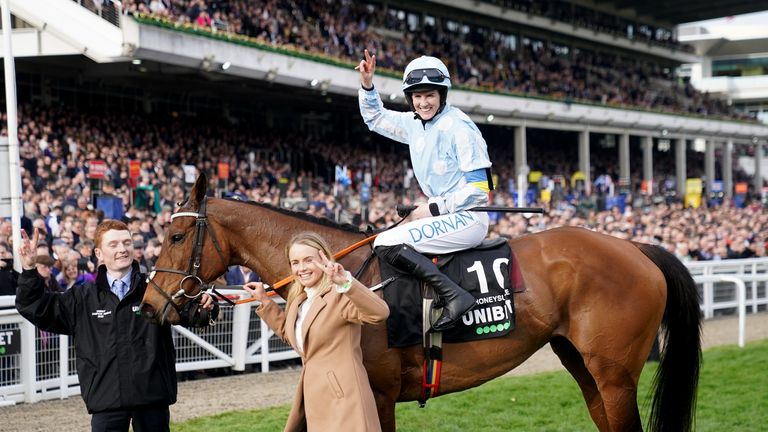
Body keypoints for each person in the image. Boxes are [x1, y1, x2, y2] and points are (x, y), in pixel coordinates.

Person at [15, 220, 218, 432]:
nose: (122, 249)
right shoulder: (82, 298)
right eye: (113, 244)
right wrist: (29, 269)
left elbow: (194, 315)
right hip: (106, 399)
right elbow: (34, 306)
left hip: (152, 397)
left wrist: (206, 306)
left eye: (127, 243)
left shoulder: (156, 292)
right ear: (99, 253)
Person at [356, 50, 493, 331]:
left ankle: (454, 296)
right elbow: (376, 119)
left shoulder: (460, 127)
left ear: (442, 95)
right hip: (443, 215)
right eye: (417, 96)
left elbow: (480, 190)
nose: (423, 102)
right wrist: (368, 86)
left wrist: (431, 208)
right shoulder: (414, 123)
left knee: (386, 243)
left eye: (429, 95)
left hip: (469, 218)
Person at [243, 232, 389, 432]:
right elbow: (293, 336)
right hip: (315, 399)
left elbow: (379, 313)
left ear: (324, 259)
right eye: (295, 262)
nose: (301, 268)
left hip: (345, 399)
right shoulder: (299, 300)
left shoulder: (340, 295)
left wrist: (346, 282)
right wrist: (265, 302)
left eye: (308, 260)